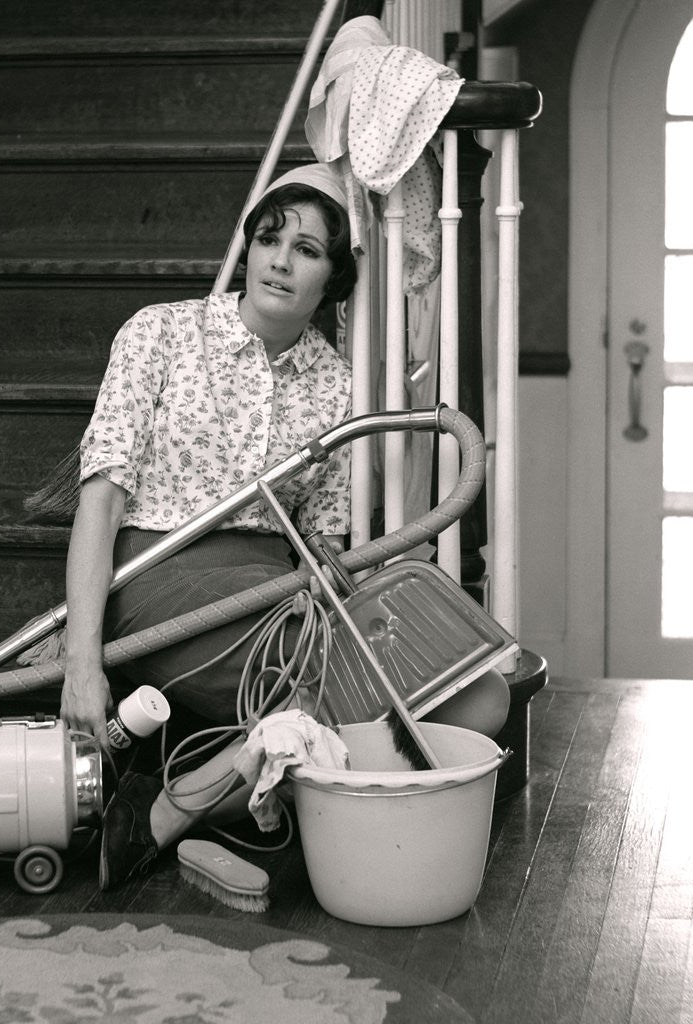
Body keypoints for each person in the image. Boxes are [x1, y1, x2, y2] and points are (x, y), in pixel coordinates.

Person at [53, 163, 509, 890]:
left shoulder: (337, 386)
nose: (279, 260)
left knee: (481, 699)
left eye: (306, 249)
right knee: (368, 694)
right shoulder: (161, 333)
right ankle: (182, 808)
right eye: (269, 239)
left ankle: (171, 807)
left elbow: (320, 537)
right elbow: (101, 503)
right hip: (159, 573)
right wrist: (82, 663)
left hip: (276, 587)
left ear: (333, 278)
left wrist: (343, 572)